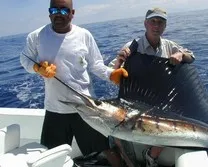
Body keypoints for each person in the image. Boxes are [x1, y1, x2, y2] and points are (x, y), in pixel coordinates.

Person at [20, 0, 128, 167]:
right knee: (50, 156)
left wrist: (111, 74)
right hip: (55, 108)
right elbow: (24, 59)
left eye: (64, 10)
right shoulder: (36, 36)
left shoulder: (84, 35)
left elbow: (96, 65)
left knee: (107, 150)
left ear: (72, 13)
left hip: (86, 107)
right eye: (54, 9)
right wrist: (36, 67)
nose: (58, 14)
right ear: (49, 12)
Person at [109, 7, 195, 167]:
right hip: (134, 100)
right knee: (116, 132)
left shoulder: (169, 46)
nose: (156, 26)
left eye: (160, 22)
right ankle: (127, 162)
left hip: (159, 102)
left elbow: (191, 56)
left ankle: (151, 157)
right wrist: (120, 61)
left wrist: (181, 55)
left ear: (165, 26)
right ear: (145, 24)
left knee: (170, 127)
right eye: (153, 22)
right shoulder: (132, 46)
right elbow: (113, 71)